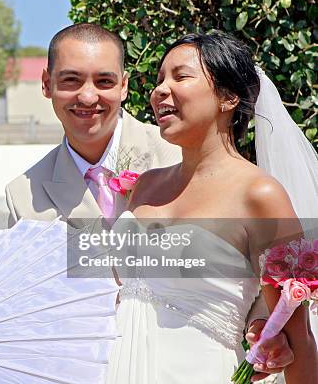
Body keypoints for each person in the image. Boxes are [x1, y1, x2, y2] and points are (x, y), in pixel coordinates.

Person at [5, 23, 295, 381]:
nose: (88, 96)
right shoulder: (23, 195)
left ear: (124, 85)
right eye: (70, 81)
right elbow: (28, 308)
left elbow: (255, 279)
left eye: (105, 81)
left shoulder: (181, 146)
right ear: (47, 84)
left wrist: (263, 326)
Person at [106, 31, 317, 383]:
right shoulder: (145, 186)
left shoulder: (260, 195)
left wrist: (261, 326)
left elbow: (298, 338)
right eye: (159, 79)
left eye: (180, 76)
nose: (160, 90)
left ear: (228, 96)